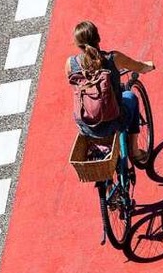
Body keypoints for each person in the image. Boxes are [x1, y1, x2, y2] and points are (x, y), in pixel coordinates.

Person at [65, 20, 155, 165]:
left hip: (85, 125)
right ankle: (135, 151)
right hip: (113, 121)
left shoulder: (70, 64)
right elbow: (140, 67)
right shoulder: (113, 58)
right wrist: (148, 66)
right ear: (98, 38)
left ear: (77, 44)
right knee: (130, 97)